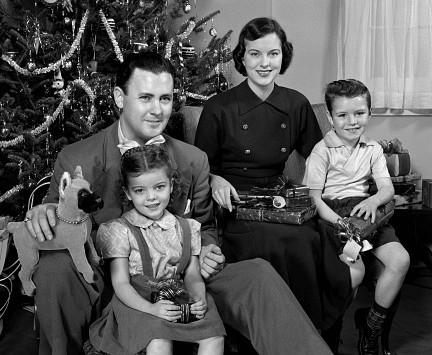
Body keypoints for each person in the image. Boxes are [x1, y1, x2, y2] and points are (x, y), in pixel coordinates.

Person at [24, 51, 333, 355]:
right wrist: (45, 211)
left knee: (258, 274)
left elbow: (205, 225)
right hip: (114, 281)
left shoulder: (192, 160)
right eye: (145, 97)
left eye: (165, 98)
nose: (158, 110)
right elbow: (59, 215)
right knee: (54, 268)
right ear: (120, 98)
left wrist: (209, 248)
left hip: (181, 276)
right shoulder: (76, 158)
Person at [194, 17, 352, 333]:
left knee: (306, 238)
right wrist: (214, 178)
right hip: (236, 203)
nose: (265, 63)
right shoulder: (219, 107)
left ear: (284, 55)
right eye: (255, 54)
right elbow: (200, 168)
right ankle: (271, 333)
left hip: (281, 198)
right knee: (279, 242)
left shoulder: (295, 103)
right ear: (242, 57)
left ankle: (308, 333)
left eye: (273, 54)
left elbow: (320, 158)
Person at [304, 79, 410, 355]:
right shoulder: (321, 151)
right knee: (353, 273)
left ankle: (371, 324)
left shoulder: (373, 149)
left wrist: (374, 200)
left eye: (359, 113)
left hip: (368, 213)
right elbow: (314, 199)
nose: (352, 122)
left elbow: (386, 188)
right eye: (342, 115)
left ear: (369, 113)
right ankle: (331, 331)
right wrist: (340, 224)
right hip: (334, 217)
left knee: (400, 259)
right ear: (330, 117)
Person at [88, 145, 225, 355]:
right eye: (140, 190)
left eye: (159, 187)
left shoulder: (186, 228)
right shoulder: (119, 230)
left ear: (171, 185)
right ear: (128, 193)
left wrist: (198, 297)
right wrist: (152, 309)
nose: (151, 197)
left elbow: (192, 274)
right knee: (159, 338)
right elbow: (121, 284)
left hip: (176, 294)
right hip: (137, 302)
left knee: (213, 334)